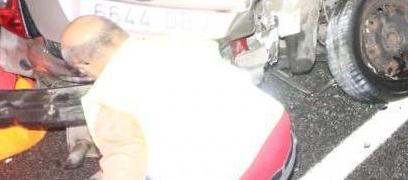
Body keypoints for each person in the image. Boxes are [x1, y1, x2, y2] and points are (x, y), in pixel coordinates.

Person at [60, 15, 296, 180]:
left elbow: (126, 164)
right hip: (279, 133)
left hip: (244, 172)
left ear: (84, 65)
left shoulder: (109, 99)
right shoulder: (177, 40)